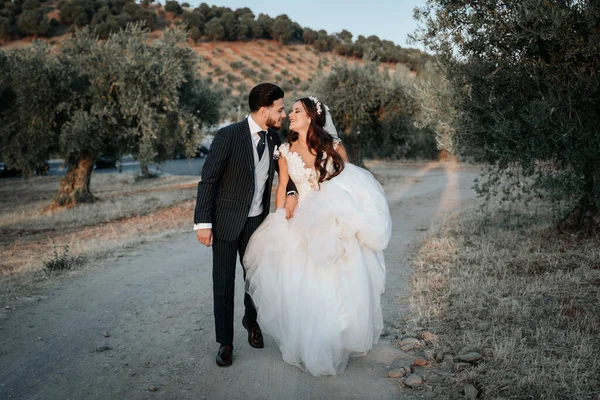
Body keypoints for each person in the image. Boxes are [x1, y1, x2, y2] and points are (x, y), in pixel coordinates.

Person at [243, 97, 392, 376]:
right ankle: (315, 339)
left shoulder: (334, 147)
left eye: (297, 111)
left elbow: (351, 184)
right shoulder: (285, 150)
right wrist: (281, 213)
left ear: (311, 117)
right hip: (301, 220)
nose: (290, 115)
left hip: (334, 221)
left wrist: (343, 211)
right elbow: (283, 185)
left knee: (341, 280)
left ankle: (341, 333)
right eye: (291, 111)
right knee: (306, 282)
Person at [194, 83, 298, 367]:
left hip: (257, 223)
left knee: (255, 280)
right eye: (279, 108)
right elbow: (209, 180)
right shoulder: (228, 135)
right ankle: (225, 342)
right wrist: (202, 223)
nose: (283, 113)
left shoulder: (276, 140)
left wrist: (290, 193)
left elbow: (288, 176)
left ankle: (252, 323)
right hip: (226, 221)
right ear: (263, 110)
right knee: (224, 283)